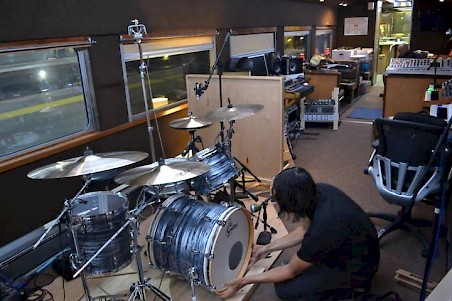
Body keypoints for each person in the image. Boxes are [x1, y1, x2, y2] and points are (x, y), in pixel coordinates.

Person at [218, 167, 380, 300]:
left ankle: (350, 291)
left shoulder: (322, 230)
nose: (274, 200)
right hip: (351, 248)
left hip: (360, 268)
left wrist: (244, 281)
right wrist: (266, 248)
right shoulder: (320, 190)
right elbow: (303, 230)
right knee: (294, 265)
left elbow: (290, 270)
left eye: (277, 197)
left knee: (286, 289)